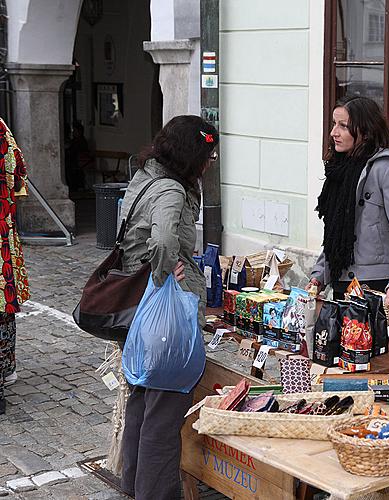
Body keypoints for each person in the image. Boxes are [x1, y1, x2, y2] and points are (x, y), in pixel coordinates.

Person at [118, 115, 217, 499]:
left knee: (143, 397)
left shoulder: (146, 176)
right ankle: (156, 493)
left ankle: (132, 483)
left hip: (141, 309)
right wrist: (166, 279)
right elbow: (161, 241)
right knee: (165, 408)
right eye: (207, 155)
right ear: (192, 155)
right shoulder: (173, 191)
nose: (209, 163)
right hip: (163, 311)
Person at [309, 96, 389, 303]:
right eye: (334, 124)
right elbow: (334, 235)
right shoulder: (339, 169)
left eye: (343, 126)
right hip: (340, 280)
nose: (334, 132)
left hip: (375, 284)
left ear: (365, 130)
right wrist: (318, 276)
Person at [0, 117, 30, 415]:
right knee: (3, 308)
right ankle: (5, 367)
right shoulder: (2, 129)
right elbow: (19, 174)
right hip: (0, 236)